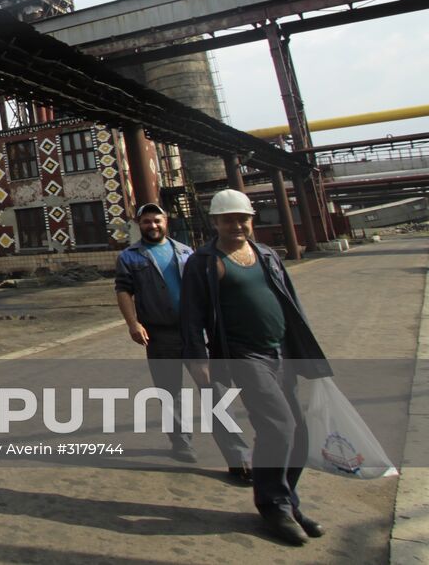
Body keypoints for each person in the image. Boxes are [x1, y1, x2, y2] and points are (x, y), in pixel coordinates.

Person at [181, 188, 332, 546]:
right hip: (244, 356)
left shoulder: (267, 254)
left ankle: (288, 501)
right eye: (228, 219)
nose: (236, 225)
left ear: (251, 220)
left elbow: (291, 303)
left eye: (242, 219)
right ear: (215, 222)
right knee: (279, 427)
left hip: (282, 352)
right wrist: (197, 361)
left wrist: (305, 351)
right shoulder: (203, 262)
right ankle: (272, 505)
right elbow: (190, 317)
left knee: (301, 433)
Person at [115, 202, 251, 477]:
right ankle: (180, 442)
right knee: (169, 392)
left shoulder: (187, 252)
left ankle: (237, 455)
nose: (152, 226)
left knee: (214, 391)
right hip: (158, 333)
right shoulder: (129, 256)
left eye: (157, 220)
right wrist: (133, 324)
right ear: (138, 225)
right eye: (146, 222)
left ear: (166, 221)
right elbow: (124, 291)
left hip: (193, 334)